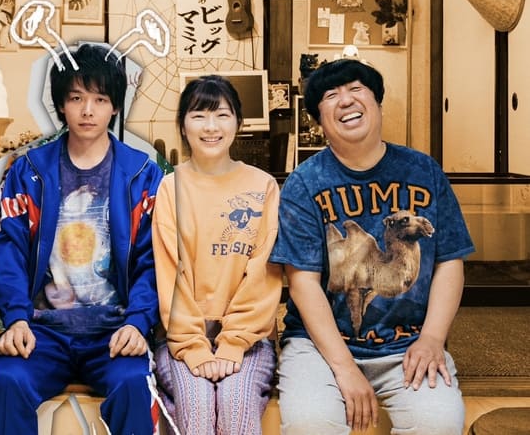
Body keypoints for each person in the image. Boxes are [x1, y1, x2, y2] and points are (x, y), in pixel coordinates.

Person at [270, 58, 474, 434]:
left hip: (408, 343)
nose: (346, 100)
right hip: (318, 347)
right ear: (318, 121)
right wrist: (345, 367)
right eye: (331, 96)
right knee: (309, 424)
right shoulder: (303, 183)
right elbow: (302, 283)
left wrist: (432, 338)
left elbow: (450, 261)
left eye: (356, 89)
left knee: (439, 422)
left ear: (377, 103)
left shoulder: (425, 171)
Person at [0, 43, 165, 434]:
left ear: (115, 107)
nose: (87, 110)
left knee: (134, 385)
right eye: (77, 98)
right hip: (41, 331)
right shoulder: (29, 171)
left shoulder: (142, 174)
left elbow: (153, 260)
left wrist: (138, 322)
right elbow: (9, 251)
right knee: (6, 382)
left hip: (114, 332)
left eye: (100, 99)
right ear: (61, 105)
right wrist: (16, 319)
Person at [152, 75, 283, 434]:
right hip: (181, 340)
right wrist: (194, 348)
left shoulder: (262, 186)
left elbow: (264, 275)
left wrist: (233, 343)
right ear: (183, 125)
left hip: (249, 341)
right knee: (195, 410)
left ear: (238, 122)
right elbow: (170, 274)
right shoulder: (170, 188)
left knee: (236, 406)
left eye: (222, 115)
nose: (211, 127)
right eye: (199, 116)